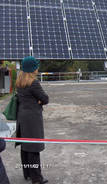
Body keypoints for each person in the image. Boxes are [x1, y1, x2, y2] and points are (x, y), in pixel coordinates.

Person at [15, 56, 49, 184]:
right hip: (32, 119)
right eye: (36, 66)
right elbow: (45, 99)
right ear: (32, 69)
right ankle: (37, 178)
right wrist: (38, 100)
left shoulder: (19, 81)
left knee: (25, 146)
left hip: (22, 117)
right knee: (34, 147)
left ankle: (28, 173)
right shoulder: (33, 83)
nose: (38, 68)